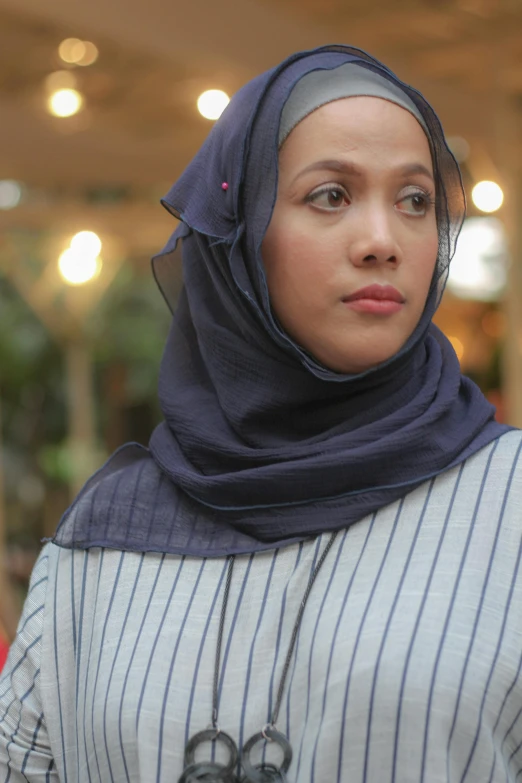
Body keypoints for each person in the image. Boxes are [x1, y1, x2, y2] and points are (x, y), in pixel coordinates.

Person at [0, 44, 520, 783]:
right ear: (240, 235)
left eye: (415, 201)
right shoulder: (102, 538)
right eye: (331, 195)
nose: (383, 242)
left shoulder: (509, 505)